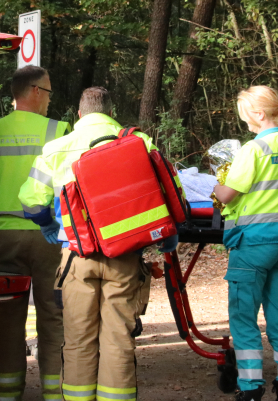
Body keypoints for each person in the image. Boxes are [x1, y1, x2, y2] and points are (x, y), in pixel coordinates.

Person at [18, 87, 176, 401]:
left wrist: (49, 225)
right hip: (126, 256)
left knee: (78, 339)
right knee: (119, 338)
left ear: (79, 114)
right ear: (110, 112)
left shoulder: (56, 148)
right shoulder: (139, 142)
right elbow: (167, 192)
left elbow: (31, 201)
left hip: (78, 257)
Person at [0, 65, 70, 401]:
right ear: (35, 91)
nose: (50, 99)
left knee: (7, 324)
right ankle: (56, 394)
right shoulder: (58, 131)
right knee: (53, 320)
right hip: (49, 238)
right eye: (49, 91)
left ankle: (4, 394)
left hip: (6, 237)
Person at [212, 86, 278, 401]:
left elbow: (226, 194)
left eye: (246, 118)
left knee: (243, 317)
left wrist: (217, 183)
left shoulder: (253, 150)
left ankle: (252, 388)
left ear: (257, 114)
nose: (247, 125)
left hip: (252, 245)